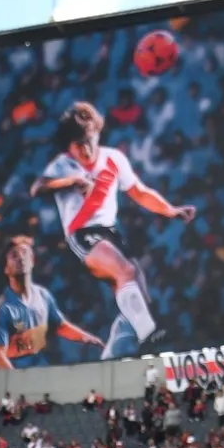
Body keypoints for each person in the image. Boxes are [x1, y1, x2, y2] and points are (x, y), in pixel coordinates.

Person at [37, 101, 189, 358]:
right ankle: (148, 336)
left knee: (136, 284)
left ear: (97, 132)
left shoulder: (113, 158)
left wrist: (170, 210)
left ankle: (120, 352)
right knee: (126, 271)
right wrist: (71, 181)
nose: (85, 149)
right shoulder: (63, 166)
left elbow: (139, 192)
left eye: (88, 140)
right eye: (77, 144)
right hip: (82, 234)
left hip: (110, 233)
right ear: (68, 146)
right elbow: (38, 188)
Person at [0, 236, 70, 371]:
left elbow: (62, 326)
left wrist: (86, 338)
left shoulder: (44, 295)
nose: (21, 258)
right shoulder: (3, 307)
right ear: (6, 268)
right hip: (18, 375)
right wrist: (16, 379)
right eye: (14, 255)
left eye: (24, 253)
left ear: (33, 260)